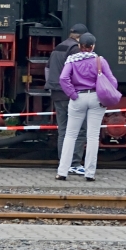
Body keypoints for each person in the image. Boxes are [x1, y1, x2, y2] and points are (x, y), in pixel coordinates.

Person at [55, 33, 119, 181]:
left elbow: (63, 78)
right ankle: (90, 173)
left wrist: (73, 94)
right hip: (96, 98)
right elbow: (112, 81)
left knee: (70, 135)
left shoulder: (72, 60)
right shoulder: (99, 61)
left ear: (79, 46)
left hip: (78, 98)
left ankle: (62, 172)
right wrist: (105, 96)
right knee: (92, 136)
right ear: (93, 46)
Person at [48, 23, 89, 175]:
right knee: (79, 130)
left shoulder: (58, 47)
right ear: (82, 37)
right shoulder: (76, 49)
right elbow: (78, 73)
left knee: (63, 130)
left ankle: (63, 162)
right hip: (70, 94)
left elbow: (48, 69)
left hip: (57, 92)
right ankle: (75, 163)